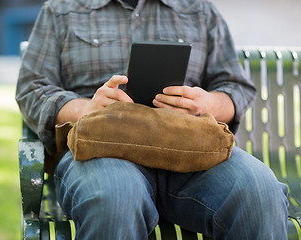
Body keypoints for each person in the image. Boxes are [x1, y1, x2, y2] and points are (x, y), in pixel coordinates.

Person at [16, 0, 289, 239]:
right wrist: (86, 108)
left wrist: (206, 103)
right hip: (100, 153)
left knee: (259, 191)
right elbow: (32, 88)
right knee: (113, 197)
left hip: (190, 152)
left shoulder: (199, 10)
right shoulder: (61, 10)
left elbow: (236, 88)